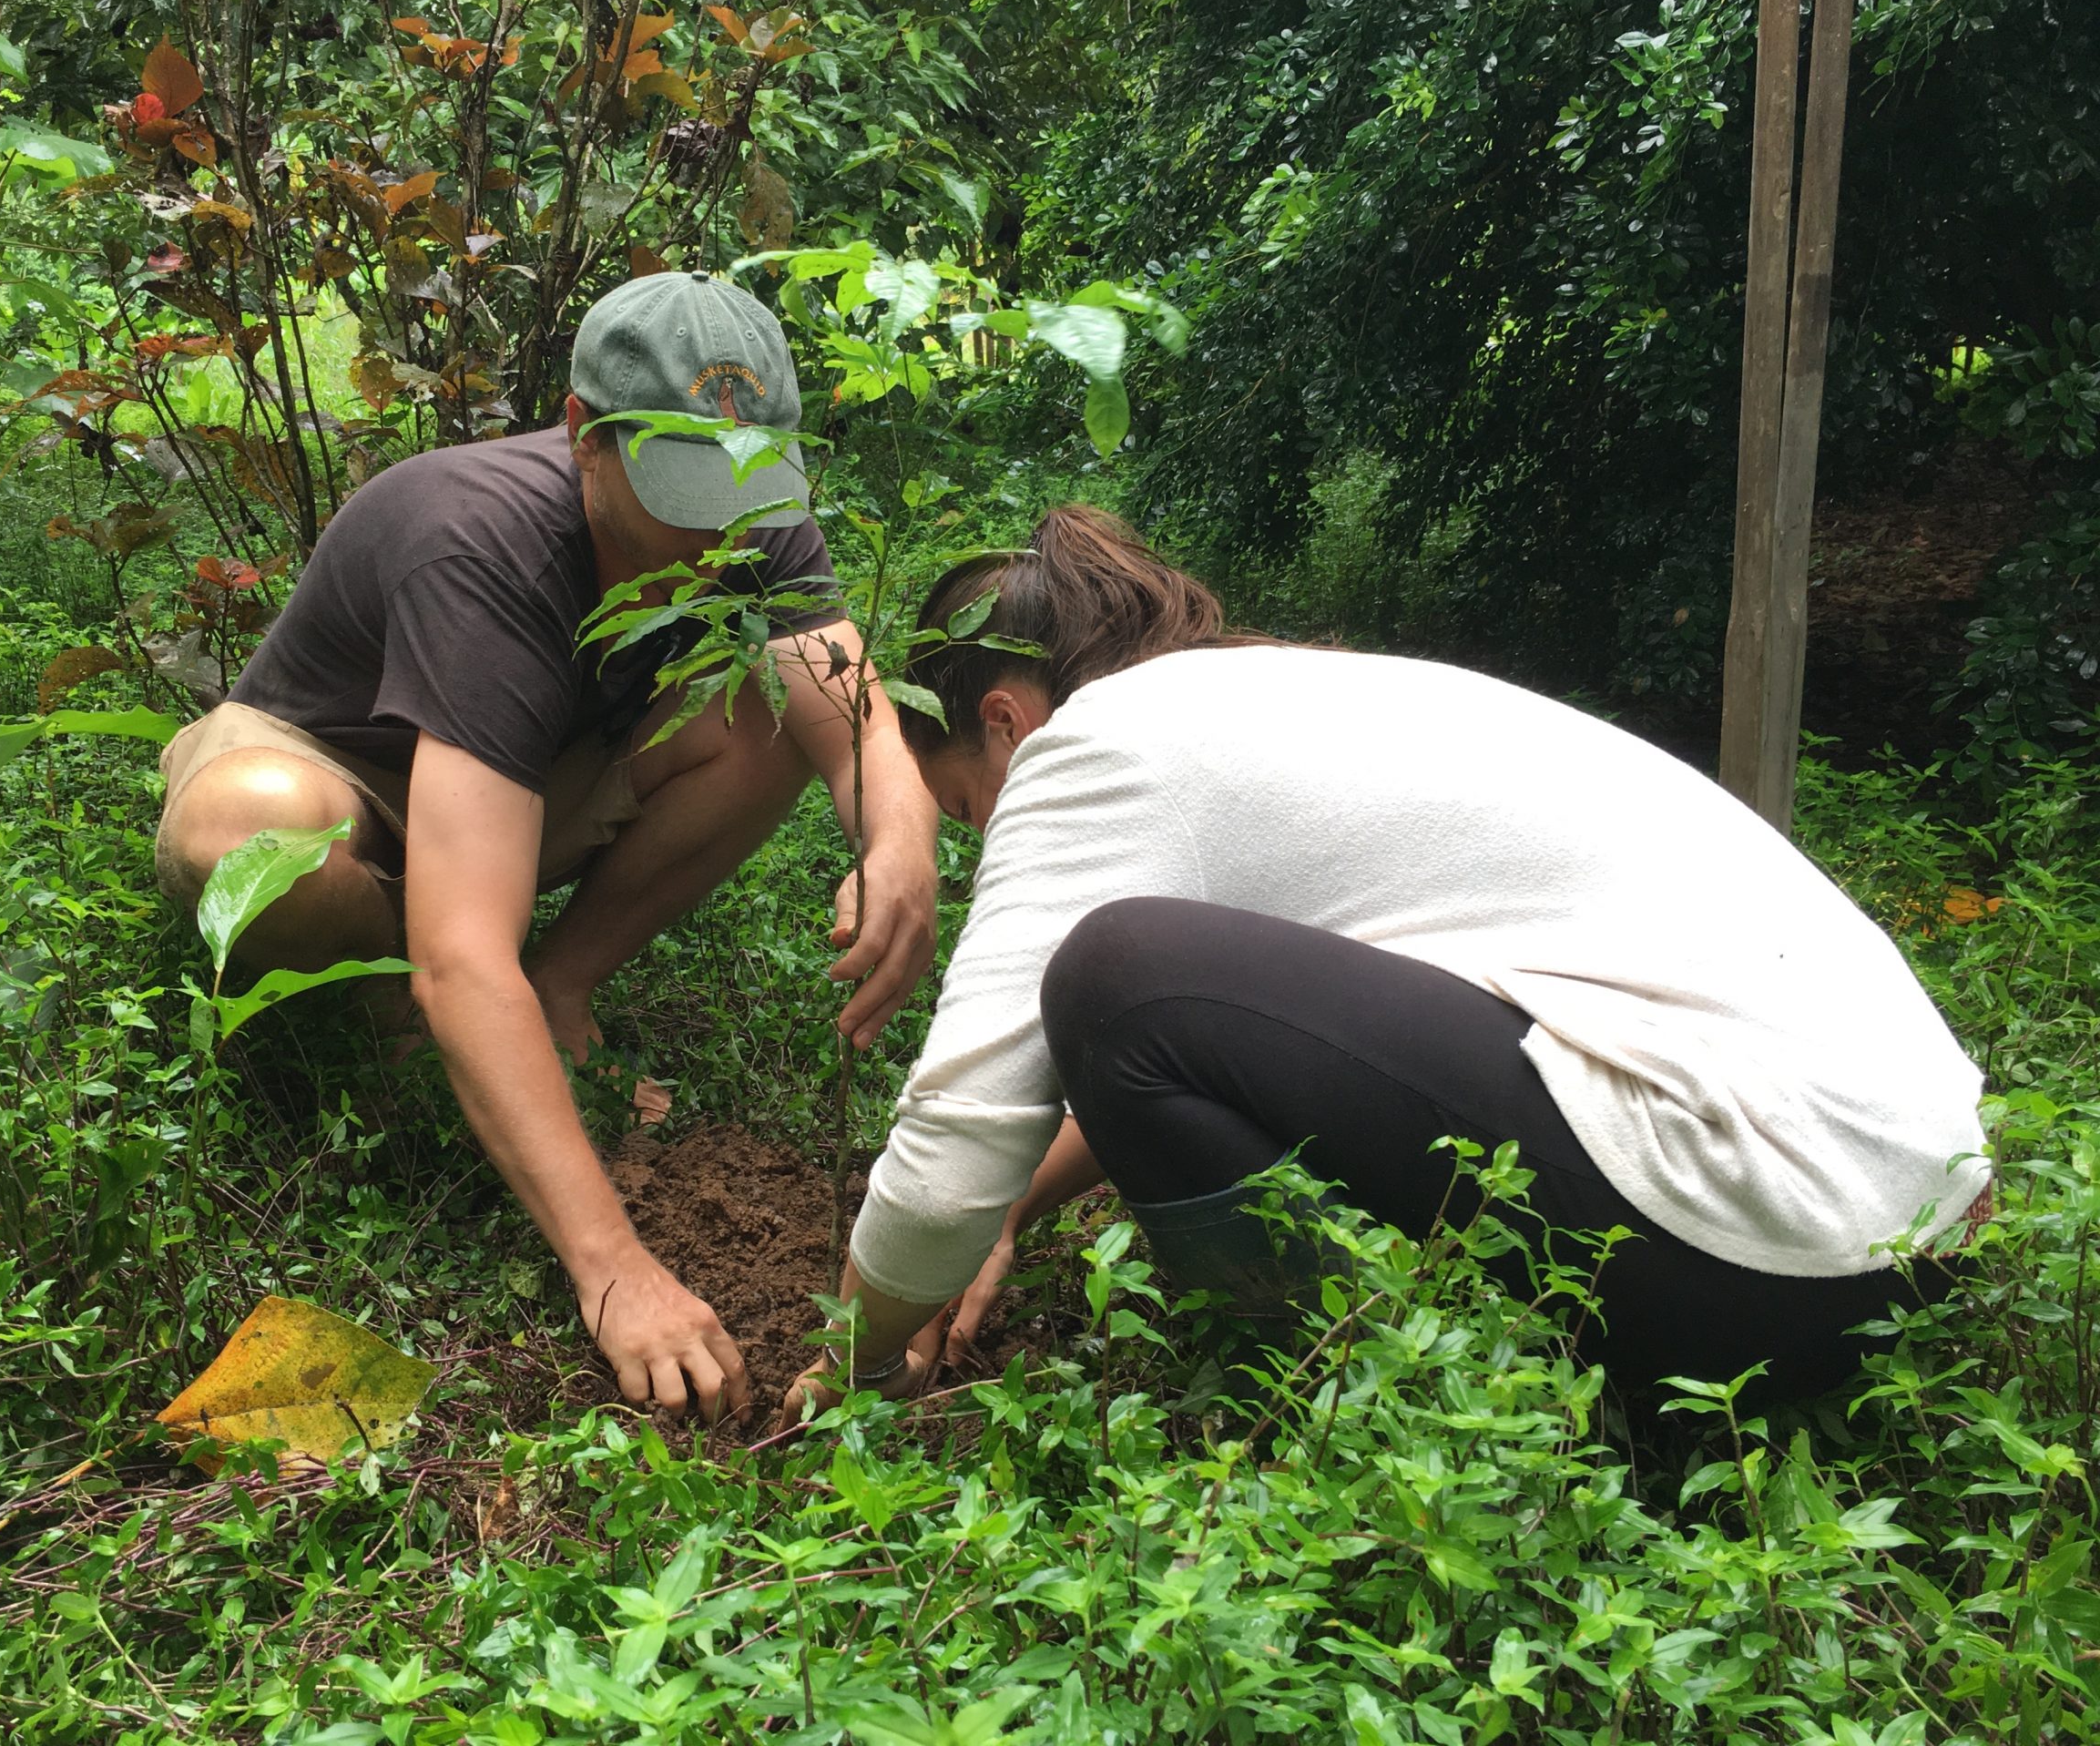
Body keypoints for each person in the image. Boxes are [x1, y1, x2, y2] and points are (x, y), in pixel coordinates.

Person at [784, 505, 1989, 1419]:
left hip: (1758, 1239)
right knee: (1136, 983)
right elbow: (1227, 1041)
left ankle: (1302, 1416)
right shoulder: (1276, 704)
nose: (991, 839)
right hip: (1906, 1243)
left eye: (963, 808)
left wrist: (859, 1354)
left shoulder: (1092, 749)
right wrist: (1007, 1219)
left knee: (1112, 970)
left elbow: (962, 1148)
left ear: (1005, 719)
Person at [154, 272, 940, 1423]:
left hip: (522, 771)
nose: (723, 531)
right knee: (254, 837)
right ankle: (401, 1050)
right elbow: (462, 952)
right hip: (338, 768)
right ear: (584, 437)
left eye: (747, 488)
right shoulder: (478, 541)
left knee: (770, 708)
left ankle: (560, 996)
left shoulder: (750, 505)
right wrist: (614, 1270)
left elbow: (847, 704)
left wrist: (900, 832)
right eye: (680, 486)